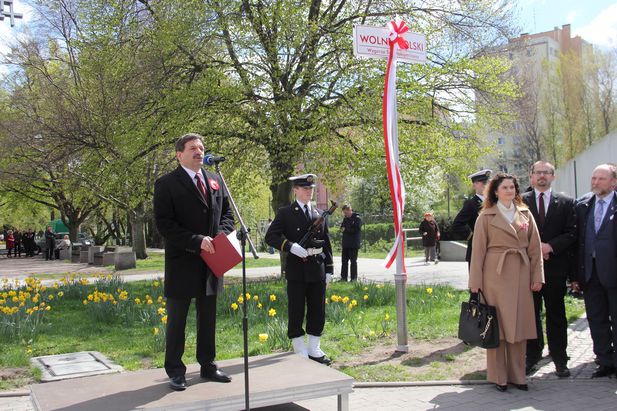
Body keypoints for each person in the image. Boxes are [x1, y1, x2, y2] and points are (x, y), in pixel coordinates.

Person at [153, 133, 235, 391]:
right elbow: (165, 225)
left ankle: (208, 365)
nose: (199, 151)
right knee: (177, 320)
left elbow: (227, 215)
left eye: (201, 148)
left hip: (212, 261)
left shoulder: (215, 180)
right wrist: (197, 240)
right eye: (193, 148)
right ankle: (176, 370)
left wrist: (220, 236)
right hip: (183, 261)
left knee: (208, 317)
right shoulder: (166, 184)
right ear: (180, 154)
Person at [469, 172, 544, 392]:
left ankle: (518, 375)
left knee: (519, 327)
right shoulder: (486, 216)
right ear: (495, 191)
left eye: (512, 187)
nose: (509, 191)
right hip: (495, 276)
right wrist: (475, 282)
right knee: (497, 328)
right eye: (505, 188)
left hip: (521, 275)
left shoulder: (525, 213)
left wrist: (537, 276)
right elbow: (478, 251)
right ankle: (498, 376)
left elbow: (535, 248)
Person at [265, 173, 334, 365]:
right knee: (296, 308)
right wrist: (290, 246)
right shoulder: (285, 212)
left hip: (317, 268)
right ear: (295, 190)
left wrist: (329, 270)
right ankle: (299, 347)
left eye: (311, 189)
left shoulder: (319, 214)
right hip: (297, 269)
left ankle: (314, 347)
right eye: (305, 188)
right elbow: (271, 237)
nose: (309, 192)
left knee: (317, 309)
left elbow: (326, 244)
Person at [523, 161, 576, 378]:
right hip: (528, 268)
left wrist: (550, 246)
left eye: (546, 173)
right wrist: (536, 249)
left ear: (553, 176)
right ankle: (532, 356)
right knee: (531, 314)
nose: (542, 176)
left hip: (555, 268)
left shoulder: (566, 202)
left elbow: (572, 233)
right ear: (531, 176)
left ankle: (560, 358)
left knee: (556, 314)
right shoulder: (520, 203)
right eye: (538, 173)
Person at [571, 164, 617, 379]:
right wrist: (576, 277)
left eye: (601, 178)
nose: (595, 182)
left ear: (613, 182)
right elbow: (577, 242)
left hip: (614, 274)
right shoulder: (583, 205)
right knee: (596, 319)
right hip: (590, 273)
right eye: (593, 178)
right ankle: (605, 361)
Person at [452, 169, 492, 268]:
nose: (485, 185)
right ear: (474, 185)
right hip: (477, 250)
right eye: (482, 182)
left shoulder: (494, 202)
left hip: (493, 250)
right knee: (477, 282)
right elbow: (457, 224)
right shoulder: (471, 204)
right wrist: (472, 235)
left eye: (487, 182)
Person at [340, 204, 362, 281]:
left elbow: (356, 230)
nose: (345, 214)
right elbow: (342, 228)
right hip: (345, 244)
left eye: (346, 213)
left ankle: (353, 279)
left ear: (350, 210)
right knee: (344, 262)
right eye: (344, 213)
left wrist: (346, 230)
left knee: (353, 262)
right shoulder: (345, 219)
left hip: (353, 244)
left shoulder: (357, 218)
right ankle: (343, 278)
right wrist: (345, 229)